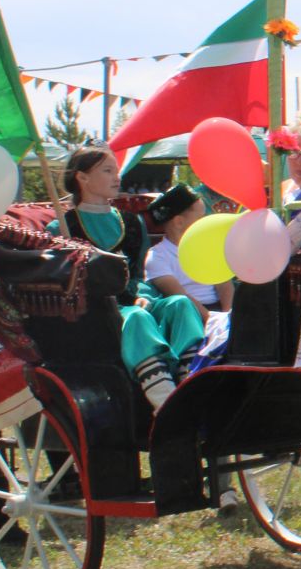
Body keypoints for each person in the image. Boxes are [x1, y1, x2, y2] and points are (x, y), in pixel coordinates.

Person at [50, 147, 204, 409]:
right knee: (137, 317)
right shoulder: (61, 227)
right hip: (93, 314)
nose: (117, 177)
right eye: (107, 171)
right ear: (82, 178)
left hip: (132, 302)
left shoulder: (132, 223)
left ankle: (192, 384)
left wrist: (141, 295)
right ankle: (167, 404)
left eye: (117, 171)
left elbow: (138, 275)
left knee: (180, 304)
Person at [143, 185, 233, 322]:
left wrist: (228, 316)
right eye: (201, 217)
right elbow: (180, 295)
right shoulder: (158, 256)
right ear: (179, 222)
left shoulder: (208, 247)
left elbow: (224, 285)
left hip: (220, 313)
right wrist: (212, 321)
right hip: (188, 319)